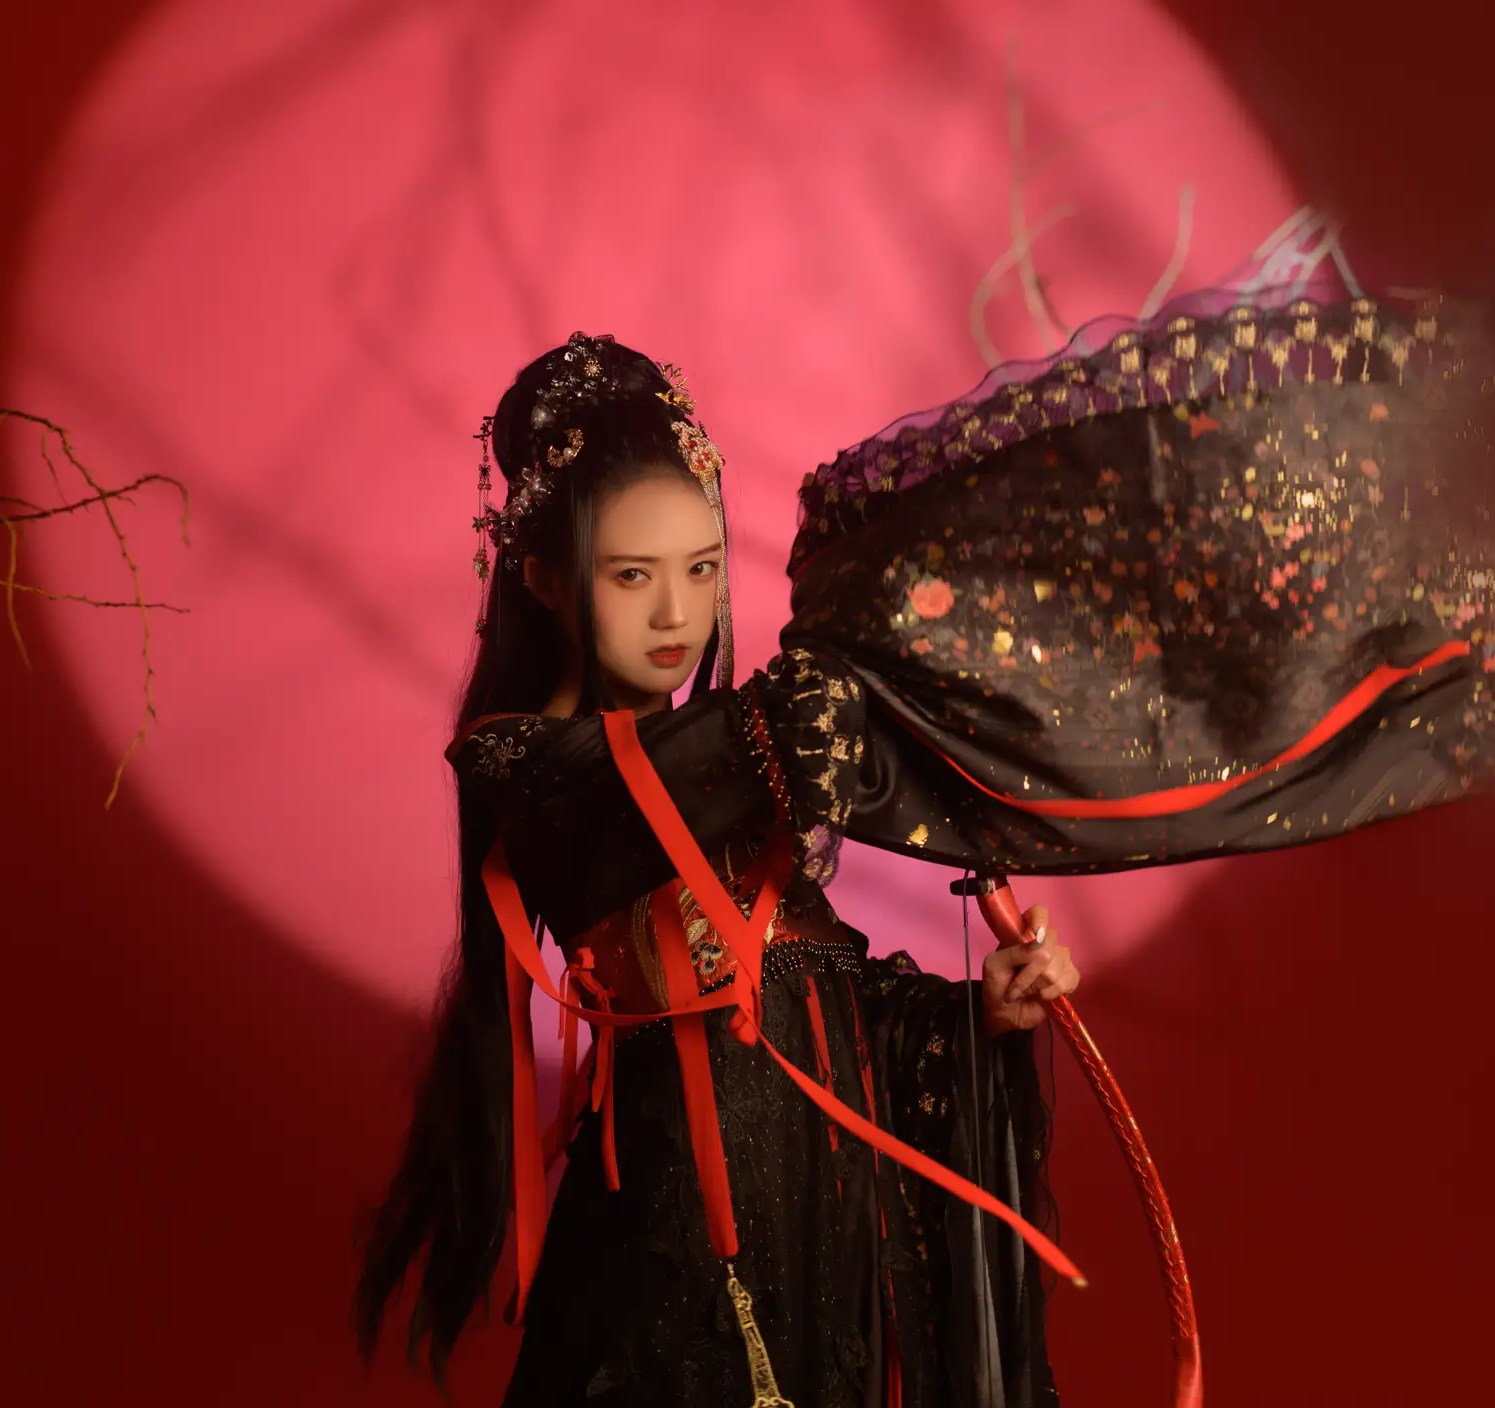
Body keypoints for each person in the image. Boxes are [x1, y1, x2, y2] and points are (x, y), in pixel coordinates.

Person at [355, 333, 1084, 1407]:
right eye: (632, 575)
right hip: (679, 1250)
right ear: (544, 576)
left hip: (823, 1230)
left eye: (700, 569)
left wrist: (977, 1015)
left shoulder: (738, 767)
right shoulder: (524, 765)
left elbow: (815, 992)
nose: (675, 613)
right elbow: (647, 786)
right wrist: (817, 691)